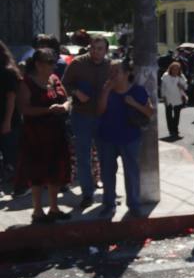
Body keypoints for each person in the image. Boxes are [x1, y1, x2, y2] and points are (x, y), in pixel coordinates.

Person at [15, 49, 73, 223]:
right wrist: (47, 110)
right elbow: (24, 109)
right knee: (37, 173)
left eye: (54, 62)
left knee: (56, 171)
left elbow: (66, 99)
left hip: (56, 132)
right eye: (49, 62)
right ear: (38, 64)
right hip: (35, 134)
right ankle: (38, 211)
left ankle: (54, 208)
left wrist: (65, 106)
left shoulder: (54, 79)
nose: (53, 65)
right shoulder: (26, 83)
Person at [95, 60, 154, 217]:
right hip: (106, 137)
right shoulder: (106, 89)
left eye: (116, 71)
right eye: (111, 71)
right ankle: (109, 204)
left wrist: (134, 104)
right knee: (107, 173)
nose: (112, 75)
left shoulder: (138, 90)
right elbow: (99, 111)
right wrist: (106, 92)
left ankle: (134, 205)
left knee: (131, 172)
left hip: (130, 138)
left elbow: (149, 112)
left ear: (127, 74)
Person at [62, 35, 111, 209]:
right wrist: (76, 92)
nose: (95, 51)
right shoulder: (77, 64)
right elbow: (64, 84)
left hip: (104, 117)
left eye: (99, 48)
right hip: (81, 116)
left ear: (106, 50)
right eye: (93, 47)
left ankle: (109, 194)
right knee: (83, 157)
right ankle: (87, 194)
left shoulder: (111, 66)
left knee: (107, 156)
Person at [0, 40, 23, 196]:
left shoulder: (7, 71)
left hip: (8, 121)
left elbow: (11, 98)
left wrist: (7, 121)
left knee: (12, 156)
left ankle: (22, 185)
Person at [160, 62, 188, 139]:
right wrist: (163, 97)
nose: (175, 71)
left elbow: (185, 87)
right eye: (173, 69)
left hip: (178, 98)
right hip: (168, 98)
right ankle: (171, 130)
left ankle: (175, 130)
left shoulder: (181, 77)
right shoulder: (165, 76)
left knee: (176, 115)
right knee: (169, 115)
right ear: (170, 69)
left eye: (177, 69)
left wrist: (181, 85)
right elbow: (163, 87)